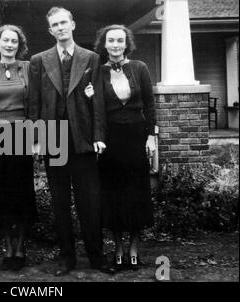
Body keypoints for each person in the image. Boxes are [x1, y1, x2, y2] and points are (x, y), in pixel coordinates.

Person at [28, 6, 115, 276]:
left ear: (73, 24)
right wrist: (36, 139)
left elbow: (98, 102)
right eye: (55, 24)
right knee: (60, 202)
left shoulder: (91, 58)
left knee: (90, 201)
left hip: (83, 139)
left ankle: (96, 257)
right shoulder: (39, 60)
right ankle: (67, 258)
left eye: (64, 22)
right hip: (54, 139)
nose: (61, 27)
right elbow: (34, 103)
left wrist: (99, 136)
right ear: (50, 30)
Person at [93, 24, 157, 271]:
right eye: (111, 40)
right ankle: (118, 248)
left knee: (135, 193)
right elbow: (97, 108)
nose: (116, 45)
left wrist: (151, 136)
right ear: (104, 44)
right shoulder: (98, 72)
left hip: (136, 137)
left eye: (120, 40)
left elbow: (150, 106)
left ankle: (133, 249)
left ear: (126, 43)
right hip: (111, 140)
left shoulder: (140, 68)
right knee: (114, 194)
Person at [0, 25, 37, 272]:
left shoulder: (28, 68)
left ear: (19, 44)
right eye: (5, 40)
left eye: (14, 41)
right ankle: (7, 248)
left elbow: (35, 105)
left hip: (22, 134)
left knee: (21, 192)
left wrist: (37, 139)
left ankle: (21, 247)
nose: (9, 45)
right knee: (1, 193)